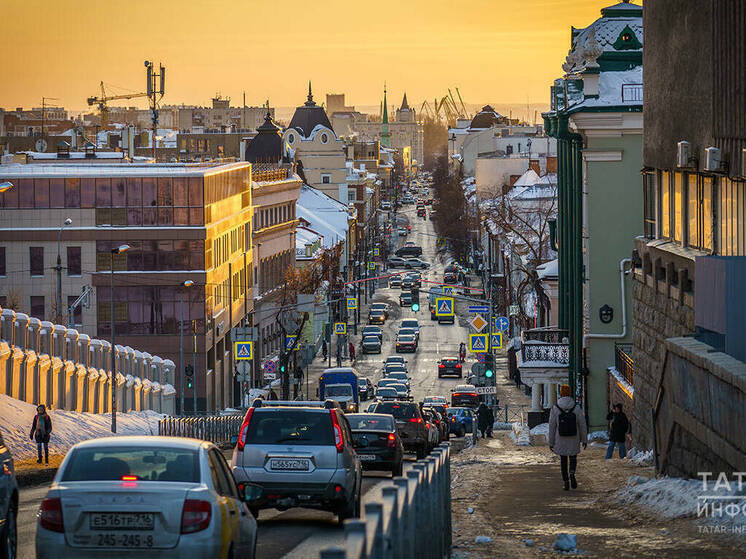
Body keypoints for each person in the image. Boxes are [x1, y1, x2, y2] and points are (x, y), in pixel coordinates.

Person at [548, 385, 588, 491]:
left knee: (563, 460)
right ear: (570, 393)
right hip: (574, 437)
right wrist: (584, 440)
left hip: (560, 439)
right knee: (573, 458)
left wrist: (551, 442)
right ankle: (572, 473)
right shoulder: (576, 407)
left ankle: (565, 481)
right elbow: (582, 424)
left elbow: (552, 426)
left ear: (561, 393)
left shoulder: (555, 408)